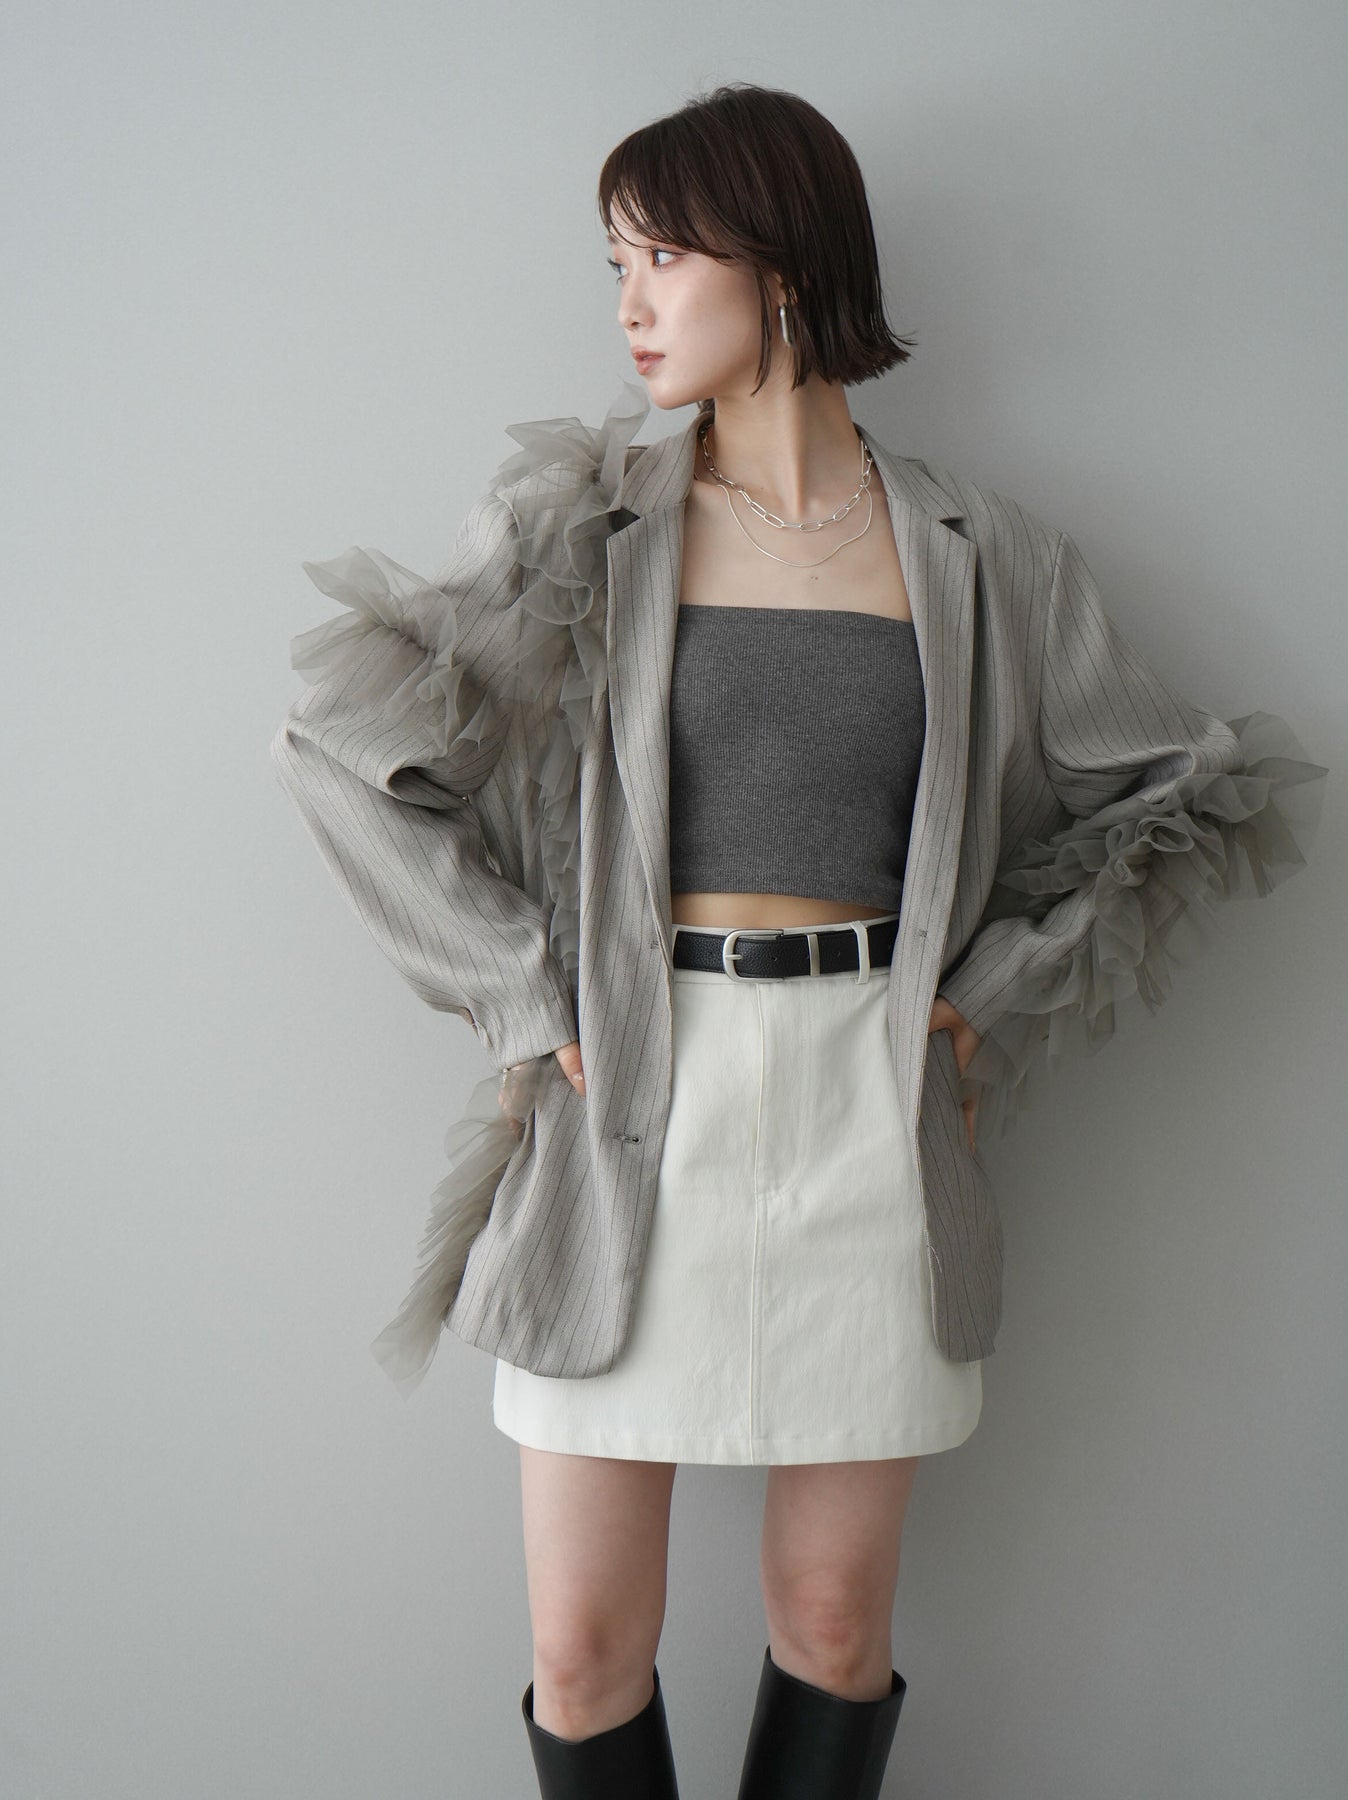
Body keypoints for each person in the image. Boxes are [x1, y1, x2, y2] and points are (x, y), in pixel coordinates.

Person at [270, 82, 1327, 1800]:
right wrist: (525, 994)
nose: (630, 303)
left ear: (780, 262)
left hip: (865, 1116)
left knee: (834, 1625)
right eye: (617, 264)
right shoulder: (587, 530)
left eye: (663, 258)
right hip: (637, 1108)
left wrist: (986, 997)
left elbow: (1178, 789)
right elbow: (339, 749)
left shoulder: (979, 555)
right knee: (583, 1651)